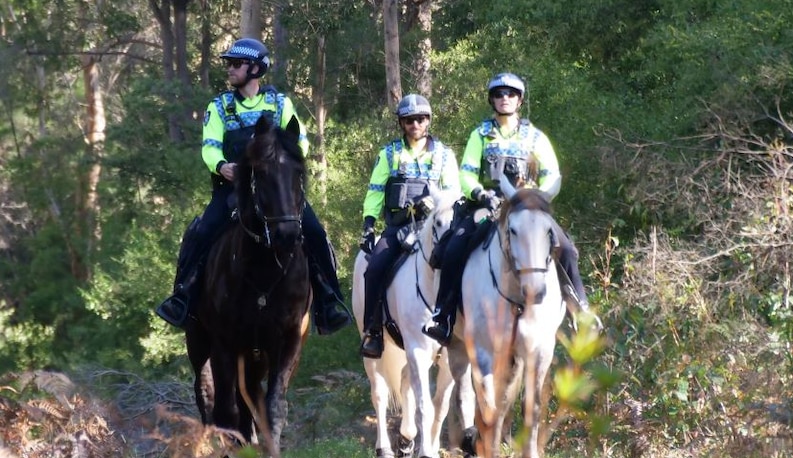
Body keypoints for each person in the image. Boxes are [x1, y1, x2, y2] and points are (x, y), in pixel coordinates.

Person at [156, 38, 350, 334]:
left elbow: (301, 143)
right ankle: (182, 296)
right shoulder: (219, 106)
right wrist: (222, 166)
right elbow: (209, 147)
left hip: (277, 190)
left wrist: (281, 162)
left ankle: (328, 299)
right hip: (233, 191)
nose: (230, 69)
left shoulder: (280, 104)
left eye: (236, 64)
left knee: (314, 231)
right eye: (229, 64)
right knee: (202, 231)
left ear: (256, 68)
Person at [422, 72, 595, 345]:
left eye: (511, 94)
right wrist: (480, 193)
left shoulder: (535, 137)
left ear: (519, 100)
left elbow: (552, 173)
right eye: (499, 94)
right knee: (453, 246)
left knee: (567, 248)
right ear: (492, 99)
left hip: (526, 208)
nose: (505, 98)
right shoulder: (480, 135)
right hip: (487, 207)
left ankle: (581, 309)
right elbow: (466, 175)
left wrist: (538, 195)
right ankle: (443, 315)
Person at [358, 94, 460, 358]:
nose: (415, 124)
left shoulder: (444, 156)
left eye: (420, 119)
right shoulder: (389, 154)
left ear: (428, 121)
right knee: (374, 269)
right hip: (398, 228)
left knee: (460, 262)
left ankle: (457, 323)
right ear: (401, 124)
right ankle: (373, 332)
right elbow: (375, 191)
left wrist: (432, 202)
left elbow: (453, 192)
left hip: (435, 227)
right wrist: (369, 224)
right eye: (409, 120)